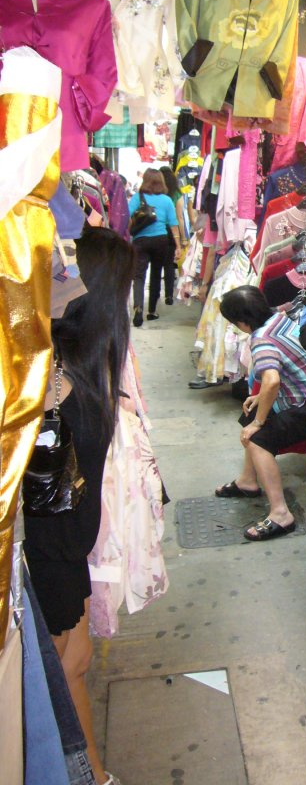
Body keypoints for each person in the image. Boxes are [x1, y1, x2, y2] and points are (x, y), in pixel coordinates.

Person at [24, 225, 134, 785]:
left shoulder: (78, 370)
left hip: (65, 550)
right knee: (64, 672)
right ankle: (88, 772)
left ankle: (90, 767)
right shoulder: (51, 382)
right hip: (46, 555)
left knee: (76, 663)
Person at [214, 285, 306, 541]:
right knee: (251, 411)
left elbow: (271, 381)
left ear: (241, 322)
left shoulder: (261, 340)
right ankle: (248, 481)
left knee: (256, 438)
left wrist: (259, 423)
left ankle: (281, 514)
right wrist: (259, 403)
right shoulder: (282, 318)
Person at [128, 167, 181, 327]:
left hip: (140, 240)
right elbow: (173, 224)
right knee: (156, 274)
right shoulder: (166, 200)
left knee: (138, 276)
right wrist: (178, 245)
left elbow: (128, 217)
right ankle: (151, 311)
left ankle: (138, 308)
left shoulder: (138, 197)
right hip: (161, 240)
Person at [159, 165, 187, 305]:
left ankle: (155, 292)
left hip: (157, 229)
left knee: (156, 265)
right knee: (169, 264)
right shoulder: (177, 194)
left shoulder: (155, 193)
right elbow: (179, 217)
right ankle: (169, 295)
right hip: (172, 232)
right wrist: (182, 238)